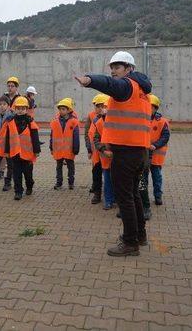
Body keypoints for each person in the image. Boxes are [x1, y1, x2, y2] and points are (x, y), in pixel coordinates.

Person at [74, 51, 152, 257]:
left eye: (117, 67)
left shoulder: (127, 86)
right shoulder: (142, 91)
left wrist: (89, 80)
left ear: (129, 69)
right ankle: (140, 236)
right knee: (133, 195)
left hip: (126, 152)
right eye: (112, 68)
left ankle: (129, 243)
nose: (113, 71)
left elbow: (109, 84)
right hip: (138, 152)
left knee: (124, 197)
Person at [4, 96, 41, 200]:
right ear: (15, 109)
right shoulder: (10, 122)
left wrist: (37, 150)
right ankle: (18, 191)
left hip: (28, 154)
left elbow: (35, 137)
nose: (20, 111)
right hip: (15, 154)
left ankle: (29, 185)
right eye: (18, 108)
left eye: (22, 109)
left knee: (28, 174)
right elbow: (7, 137)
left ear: (26, 109)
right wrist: (6, 151)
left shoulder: (30, 122)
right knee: (17, 174)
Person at [139, 94, 170, 216]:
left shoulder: (162, 122)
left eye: (151, 107)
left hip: (156, 155)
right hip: (144, 155)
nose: (149, 109)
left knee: (157, 177)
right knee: (144, 178)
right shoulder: (142, 119)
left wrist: (155, 145)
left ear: (156, 108)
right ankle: (144, 197)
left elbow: (165, 137)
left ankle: (158, 196)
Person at [50, 98, 80, 190]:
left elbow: (76, 137)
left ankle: (71, 182)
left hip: (69, 150)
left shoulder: (74, 122)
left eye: (63, 109)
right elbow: (52, 135)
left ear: (69, 110)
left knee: (70, 167)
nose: (61, 111)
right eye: (60, 109)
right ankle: (59, 183)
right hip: (58, 149)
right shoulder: (55, 121)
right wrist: (51, 147)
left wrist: (76, 149)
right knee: (58, 167)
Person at [86, 94, 109, 203]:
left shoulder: (111, 119)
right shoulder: (92, 118)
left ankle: (110, 195)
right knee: (96, 173)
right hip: (96, 153)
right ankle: (97, 194)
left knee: (109, 175)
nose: (100, 108)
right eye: (98, 106)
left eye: (103, 106)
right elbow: (87, 134)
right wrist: (89, 149)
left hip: (107, 152)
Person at [92, 103, 115, 210]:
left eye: (105, 107)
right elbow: (96, 139)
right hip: (105, 157)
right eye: (101, 107)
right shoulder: (99, 123)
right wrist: (104, 150)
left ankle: (118, 200)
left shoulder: (117, 121)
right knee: (107, 180)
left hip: (118, 158)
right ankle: (108, 201)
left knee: (119, 180)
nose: (103, 109)